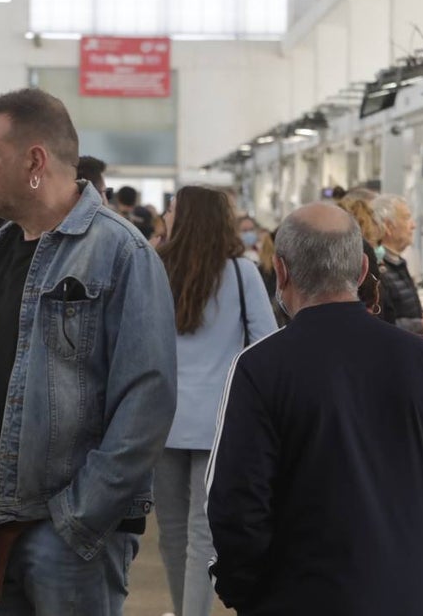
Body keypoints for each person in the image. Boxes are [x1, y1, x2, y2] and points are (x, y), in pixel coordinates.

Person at [0, 88, 178, 615]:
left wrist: (78, 516)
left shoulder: (119, 253)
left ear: (35, 161)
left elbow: (147, 400)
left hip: (64, 537)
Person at [207, 202, 423, 616]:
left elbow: (237, 502)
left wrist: (244, 591)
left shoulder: (259, 368)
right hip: (413, 597)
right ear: (361, 270)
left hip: (299, 599)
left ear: (280, 271)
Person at [154, 186, 277, 616]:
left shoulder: (155, 268)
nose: (166, 216)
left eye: (172, 210)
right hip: (219, 421)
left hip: (161, 418)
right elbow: (265, 343)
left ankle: (181, 609)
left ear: (188, 218)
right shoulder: (243, 274)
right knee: (202, 534)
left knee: (170, 531)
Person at [372, 194, 423, 338]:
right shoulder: (378, 270)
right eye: (406, 218)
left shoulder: (397, 262)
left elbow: (402, 310)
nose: (413, 225)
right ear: (388, 227)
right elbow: (382, 324)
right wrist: (420, 325)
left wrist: (422, 317)